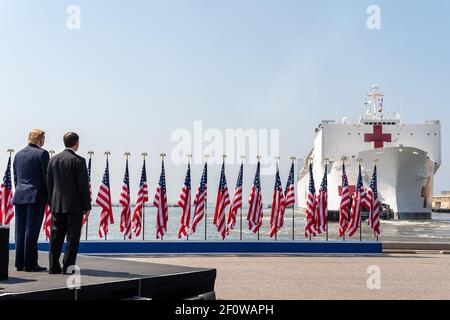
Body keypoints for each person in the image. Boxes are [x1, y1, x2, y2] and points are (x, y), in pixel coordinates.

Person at [47, 132, 91, 274]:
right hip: (74, 206)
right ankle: (68, 267)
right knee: (72, 238)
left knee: (55, 237)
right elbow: (82, 186)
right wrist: (87, 206)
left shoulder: (53, 160)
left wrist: (51, 202)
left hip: (56, 205)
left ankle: (53, 267)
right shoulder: (79, 161)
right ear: (76, 143)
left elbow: (49, 184)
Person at [13, 129, 49, 272]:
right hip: (36, 196)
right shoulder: (42, 153)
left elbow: (16, 177)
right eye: (43, 138)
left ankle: (19, 263)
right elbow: (46, 177)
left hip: (20, 195)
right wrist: (49, 196)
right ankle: (30, 264)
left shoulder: (18, 154)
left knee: (20, 231)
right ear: (40, 140)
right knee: (32, 231)